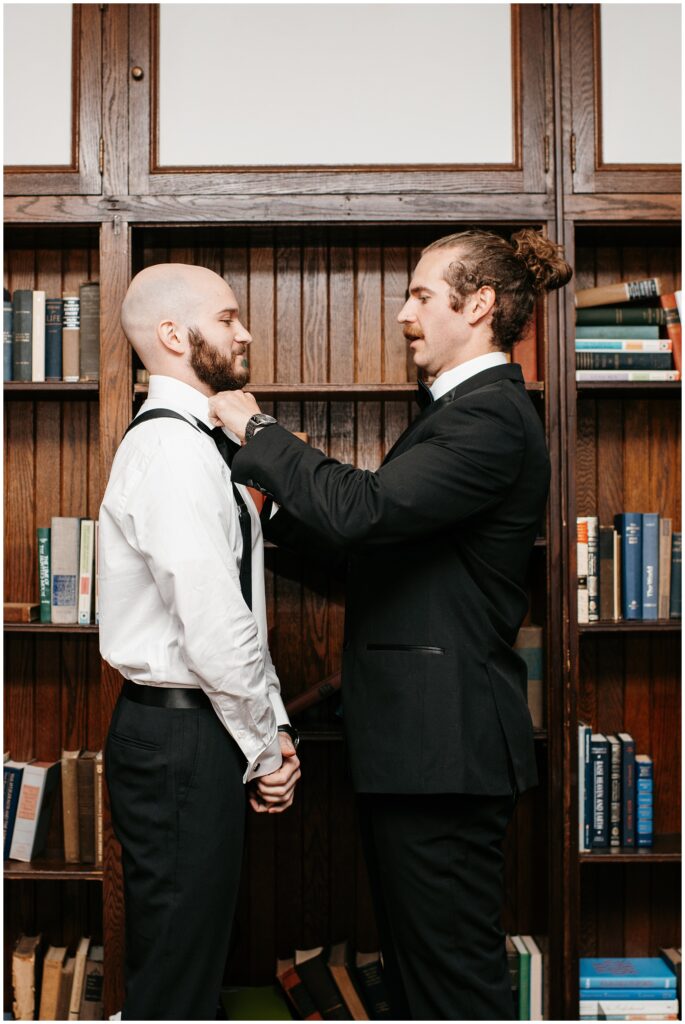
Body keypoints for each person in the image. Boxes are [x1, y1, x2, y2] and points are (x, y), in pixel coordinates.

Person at [208, 229, 572, 1021]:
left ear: (477, 306)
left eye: (418, 295)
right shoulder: (455, 413)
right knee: (421, 979)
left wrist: (259, 432)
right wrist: (261, 525)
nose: (402, 312)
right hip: (421, 747)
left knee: (451, 984)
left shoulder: (491, 418)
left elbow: (365, 513)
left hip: (445, 748)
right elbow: (372, 557)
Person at [98, 263, 301, 1021]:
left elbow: (239, 611)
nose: (243, 331)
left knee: (191, 959)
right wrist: (264, 746)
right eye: (228, 317)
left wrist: (268, 729)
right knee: (177, 980)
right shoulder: (173, 452)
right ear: (174, 335)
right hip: (179, 732)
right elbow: (214, 626)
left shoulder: (202, 442)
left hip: (201, 726)